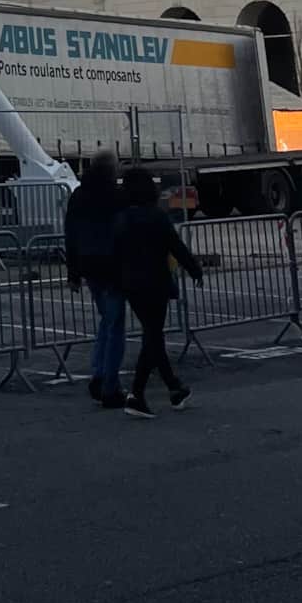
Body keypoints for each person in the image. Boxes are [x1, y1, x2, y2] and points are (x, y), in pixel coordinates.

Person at [113, 166, 202, 418]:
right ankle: (137, 394)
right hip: (155, 281)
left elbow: (115, 252)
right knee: (153, 336)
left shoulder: (121, 218)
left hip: (131, 283)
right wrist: (194, 268)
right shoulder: (156, 216)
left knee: (153, 336)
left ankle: (174, 387)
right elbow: (176, 246)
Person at [63, 151, 126, 408]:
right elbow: (123, 231)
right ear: (111, 170)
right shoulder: (116, 196)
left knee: (107, 320)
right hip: (112, 264)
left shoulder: (79, 195)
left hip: (88, 264)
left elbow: (71, 233)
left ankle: (99, 372)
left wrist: (73, 272)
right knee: (115, 324)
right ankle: (108, 382)